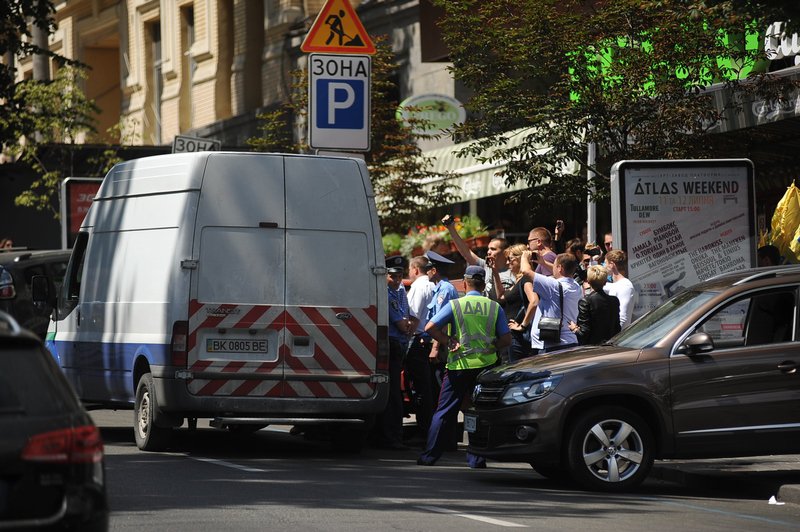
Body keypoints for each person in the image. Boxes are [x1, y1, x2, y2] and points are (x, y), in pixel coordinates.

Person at [417, 265, 511, 468]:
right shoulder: (494, 307)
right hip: (486, 368)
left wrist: (447, 340)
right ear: (483, 284)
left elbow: (430, 327)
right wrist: (491, 346)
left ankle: (429, 456)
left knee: (444, 411)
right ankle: (477, 459)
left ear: (464, 283)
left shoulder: (455, 305)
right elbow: (506, 339)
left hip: (459, 366)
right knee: (479, 412)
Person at [377, 255, 417, 450]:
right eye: (393, 276)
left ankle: (393, 435)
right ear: (385, 275)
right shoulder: (385, 292)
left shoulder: (400, 290)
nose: (397, 280)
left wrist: (406, 325)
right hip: (392, 344)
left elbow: (407, 319)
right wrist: (406, 325)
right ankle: (391, 436)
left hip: (399, 344)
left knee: (395, 393)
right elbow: (403, 324)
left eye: (400, 276)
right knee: (392, 393)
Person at [521, 252, 582, 354]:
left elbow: (525, 271)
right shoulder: (576, 286)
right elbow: (562, 272)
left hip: (553, 345)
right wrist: (543, 263)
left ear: (559, 268)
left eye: (554, 265)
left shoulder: (553, 286)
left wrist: (524, 257)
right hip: (571, 340)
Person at [442, 214, 514, 301]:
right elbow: (466, 252)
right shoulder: (485, 266)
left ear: (505, 252)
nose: (488, 252)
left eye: (493, 249)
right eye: (488, 249)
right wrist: (451, 228)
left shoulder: (514, 271)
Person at [404, 255, 436, 441]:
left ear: (415, 269)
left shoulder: (418, 286)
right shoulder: (432, 285)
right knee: (427, 386)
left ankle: (424, 431)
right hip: (428, 339)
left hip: (417, 340)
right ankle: (427, 430)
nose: (409, 273)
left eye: (410, 269)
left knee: (419, 388)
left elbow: (413, 318)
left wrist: (406, 337)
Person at [494, 244, 538, 362]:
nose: (507, 263)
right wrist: (494, 271)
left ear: (519, 259)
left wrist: (522, 326)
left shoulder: (526, 279)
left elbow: (534, 301)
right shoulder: (518, 281)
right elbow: (501, 296)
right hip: (513, 335)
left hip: (520, 336)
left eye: (510, 259)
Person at [568, 265, 621, 345]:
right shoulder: (614, 301)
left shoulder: (585, 302)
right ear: (605, 282)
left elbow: (583, 333)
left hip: (592, 348)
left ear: (588, 281)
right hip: (610, 346)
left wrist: (574, 329)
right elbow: (617, 329)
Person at [603, 249, 636, 329]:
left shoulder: (625, 286)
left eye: (605, 263)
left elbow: (623, 319)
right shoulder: (615, 285)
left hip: (619, 335)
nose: (604, 266)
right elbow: (599, 285)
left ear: (611, 264)